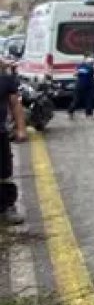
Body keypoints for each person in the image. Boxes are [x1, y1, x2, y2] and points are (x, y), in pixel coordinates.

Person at [0, 66, 27, 225]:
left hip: (0, 132)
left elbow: (15, 104)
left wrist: (21, 128)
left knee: (4, 172)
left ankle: (7, 207)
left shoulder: (4, 76)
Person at [69, 52, 94, 119]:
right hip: (80, 85)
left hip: (90, 85)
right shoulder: (81, 65)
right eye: (91, 57)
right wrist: (80, 71)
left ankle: (89, 115)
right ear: (86, 58)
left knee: (90, 100)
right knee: (76, 100)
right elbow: (74, 73)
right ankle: (71, 112)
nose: (92, 59)